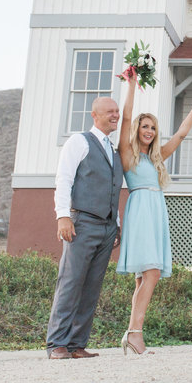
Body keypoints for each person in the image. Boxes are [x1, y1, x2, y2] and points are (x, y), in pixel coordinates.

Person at [116, 70, 192, 355]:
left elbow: (181, 133)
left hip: (156, 212)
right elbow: (127, 118)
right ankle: (135, 333)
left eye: (152, 128)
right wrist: (131, 85)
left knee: (144, 278)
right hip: (140, 211)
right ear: (137, 130)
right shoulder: (128, 154)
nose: (148, 131)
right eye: (145, 126)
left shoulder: (156, 157)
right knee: (151, 273)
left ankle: (132, 334)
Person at [46, 96, 123, 360]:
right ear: (95, 115)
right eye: (110, 112)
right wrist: (62, 216)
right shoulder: (79, 141)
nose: (115, 115)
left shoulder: (113, 150)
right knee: (70, 281)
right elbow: (64, 179)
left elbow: (113, 188)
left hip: (107, 226)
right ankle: (57, 342)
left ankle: (77, 344)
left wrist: (117, 223)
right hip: (82, 222)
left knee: (92, 286)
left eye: (117, 111)